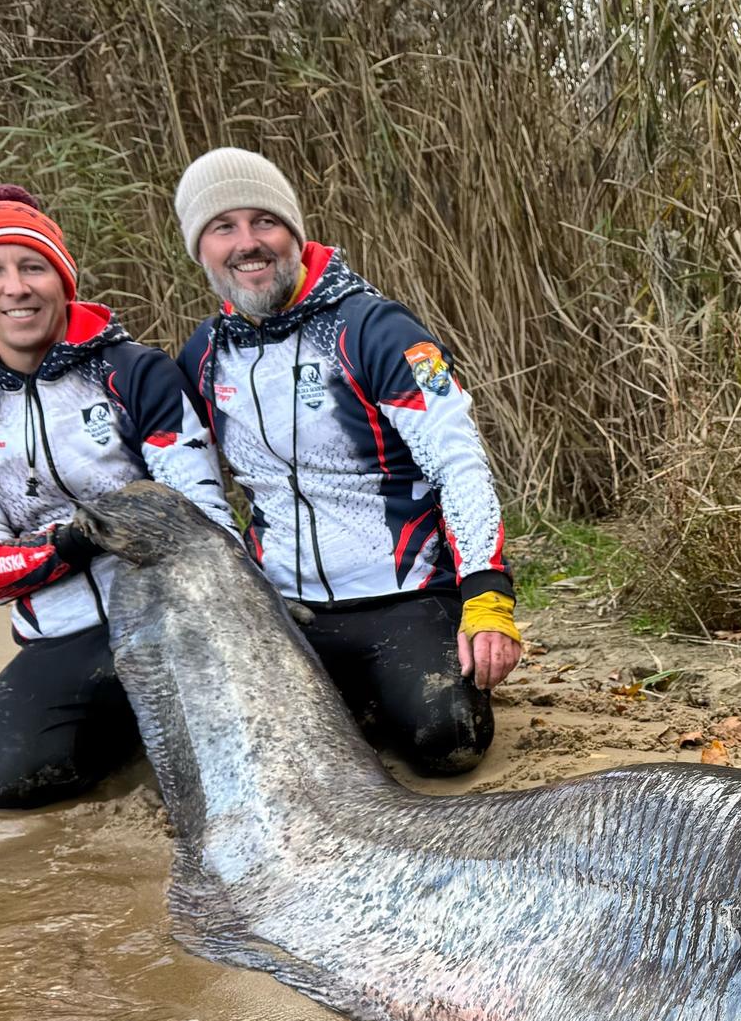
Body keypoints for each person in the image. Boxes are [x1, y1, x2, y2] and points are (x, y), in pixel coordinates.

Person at [172, 147, 520, 776]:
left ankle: (388, 691)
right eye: (224, 227)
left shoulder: (375, 328)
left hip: (406, 594)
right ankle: (355, 699)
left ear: (295, 234)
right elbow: (189, 489)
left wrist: (487, 594)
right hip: (284, 605)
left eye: (265, 222)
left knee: (450, 745)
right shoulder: (202, 354)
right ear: (200, 249)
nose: (248, 244)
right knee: (246, 758)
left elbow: (459, 463)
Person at [0, 185, 233, 809]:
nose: (16, 287)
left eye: (33, 266)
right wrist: (75, 542)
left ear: (62, 279)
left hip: (172, 620)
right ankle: (126, 730)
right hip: (59, 635)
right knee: (11, 784)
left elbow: (202, 519)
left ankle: (158, 720)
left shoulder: (135, 370)